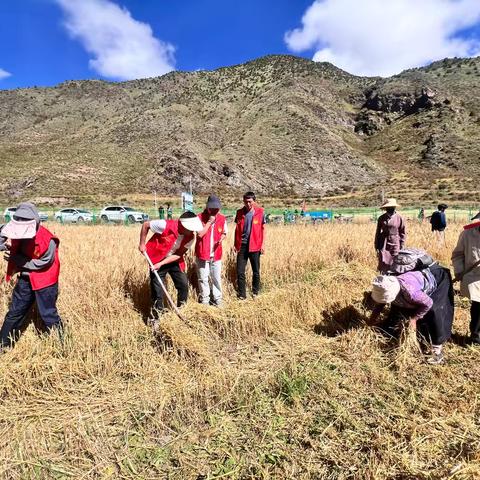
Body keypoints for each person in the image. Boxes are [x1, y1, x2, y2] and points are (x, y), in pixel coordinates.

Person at [0, 202, 63, 349]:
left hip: (45, 279)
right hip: (26, 278)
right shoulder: (15, 227)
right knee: (14, 312)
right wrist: (4, 241)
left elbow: (44, 263)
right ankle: (3, 345)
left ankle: (63, 344)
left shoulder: (47, 240)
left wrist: (18, 260)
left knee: (48, 314)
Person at [369, 264, 454, 364]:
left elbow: (428, 303)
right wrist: (372, 318)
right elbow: (381, 303)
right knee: (397, 311)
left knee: (434, 312)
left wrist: (414, 319)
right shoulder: (385, 286)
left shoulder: (411, 292)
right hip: (411, 288)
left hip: (438, 279)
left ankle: (436, 349)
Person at [138, 211, 203, 321]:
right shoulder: (164, 225)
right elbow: (146, 225)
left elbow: (178, 254)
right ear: (183, 225)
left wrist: (162, 264)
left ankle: (181, 310)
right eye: (191, 229)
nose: (193, 231)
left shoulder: (191, 237)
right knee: (157, 289)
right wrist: (142, 243)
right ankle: (158, 317)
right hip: (156, 258)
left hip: (173, 260)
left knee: (183, 285)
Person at [452, 211, 480, 345]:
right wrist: (460, 271)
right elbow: (457, 255)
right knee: (478, 307)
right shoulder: (467, 234)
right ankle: (476, 336)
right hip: (473, 277)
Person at [195, 195, 227, 307]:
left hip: (216, 253)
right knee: (203, 278)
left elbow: (224, 233)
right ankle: (205, 300)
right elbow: (199, 234)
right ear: (207, 207)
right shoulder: (199, 218)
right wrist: (209, 222)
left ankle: (217, 299)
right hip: (202, 253)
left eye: (216, 209)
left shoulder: (222, 218)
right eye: (212, 208)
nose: (214, 211)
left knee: (216, 277)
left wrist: (221, 239)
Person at [234, 191, 265, 300]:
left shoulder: (260, 212)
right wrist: (235, 244)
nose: (248, 204)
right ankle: (242, 295)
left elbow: (262, 229)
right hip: (242, 245)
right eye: (246, 202)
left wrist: (262, 245)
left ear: (254, 201)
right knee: (240, 271)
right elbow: (237, 230)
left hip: (255, 245)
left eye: (250, 202)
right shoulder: (239, 213)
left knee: (256, 271)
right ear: (243, 201)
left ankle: (255, 292)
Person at [374, 198, 406, 273]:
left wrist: (402, 244)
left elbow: (402, 232)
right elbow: (378, 232)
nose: (390, 209)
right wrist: (376, 244)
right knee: (383, 259)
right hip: (383, 242)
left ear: (394, 207)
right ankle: (383, 275)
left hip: (395, 241)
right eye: (388, 207)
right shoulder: (381, 218)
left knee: (395, 258)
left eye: (391, 207)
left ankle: (393, 276)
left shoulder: (399, 217)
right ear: (385, 208)